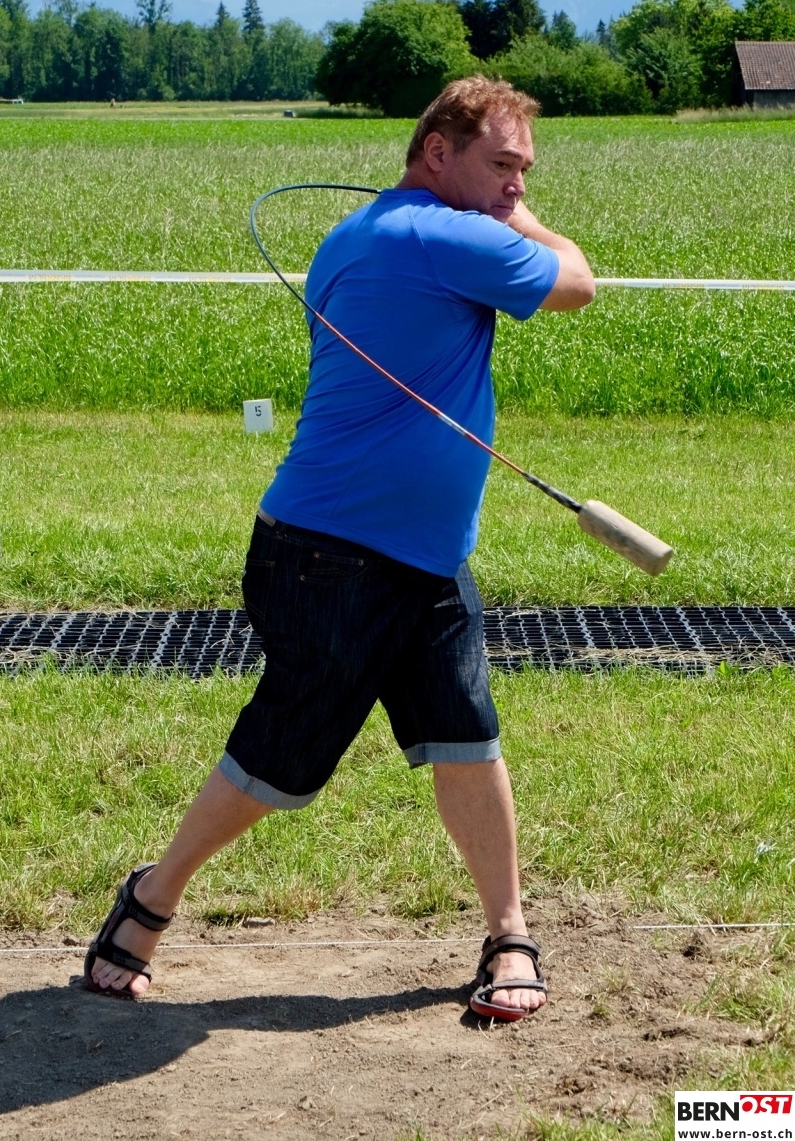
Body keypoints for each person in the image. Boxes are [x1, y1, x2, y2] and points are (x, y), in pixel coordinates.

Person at [85, 75, 595, 1020]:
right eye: (500, 164)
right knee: (283, 757)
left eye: (524, 171)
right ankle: (150, 897)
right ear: (436, 152)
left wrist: (499, 206)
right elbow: (578, 284)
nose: (516, 185)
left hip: (422, 554)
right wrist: (523, 223)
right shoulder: (447, 235)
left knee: (465, 735)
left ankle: (508, 932)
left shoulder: (358, 234)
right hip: (334, 556)